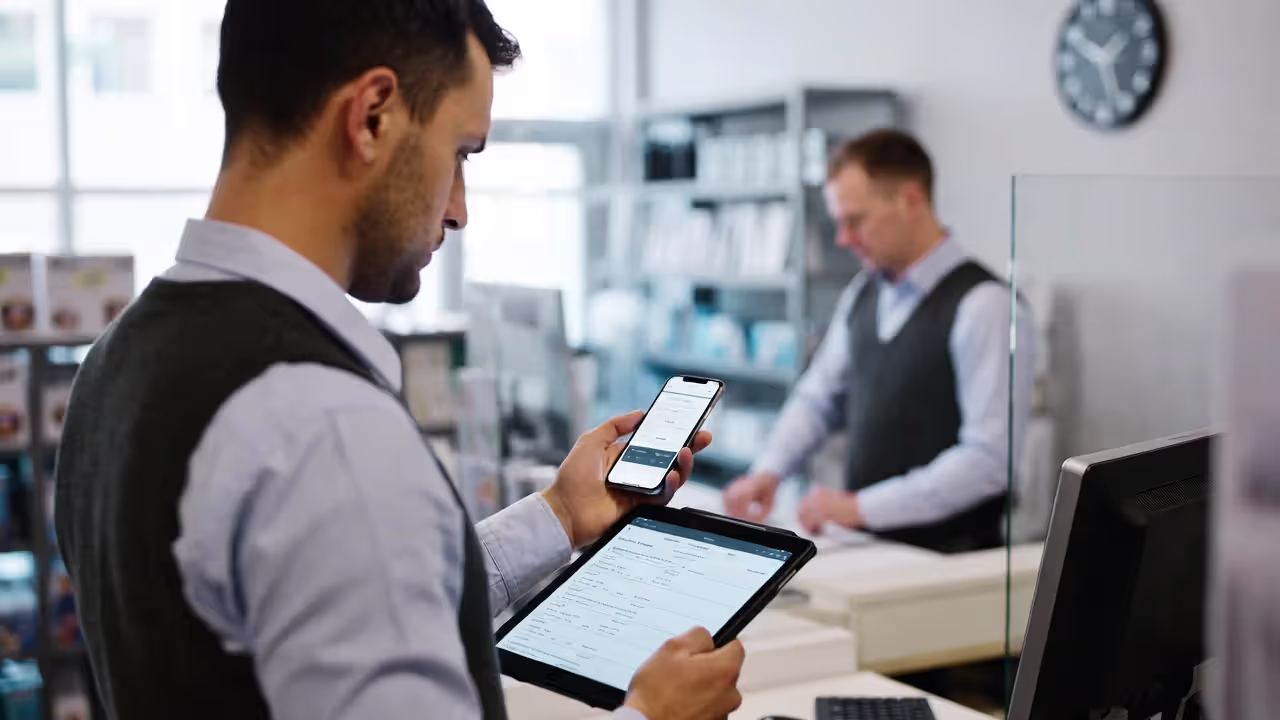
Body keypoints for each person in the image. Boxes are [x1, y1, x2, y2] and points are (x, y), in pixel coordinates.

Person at [53, 2, 745, 719]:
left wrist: (563, 514)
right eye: (460, 156)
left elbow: (343, 599)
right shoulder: (326, 425)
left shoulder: (114, 364)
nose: (459, 210)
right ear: (373, 116)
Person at [723, 129, 1036, 553]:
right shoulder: (862, 294)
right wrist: (770, 470)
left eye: (856, 220)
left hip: (950, 564)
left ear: (910, 200)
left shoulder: (985, 305)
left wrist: (860, 507)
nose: (844, 239)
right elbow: (818, 398)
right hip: (869, 551)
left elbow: (988, 461)